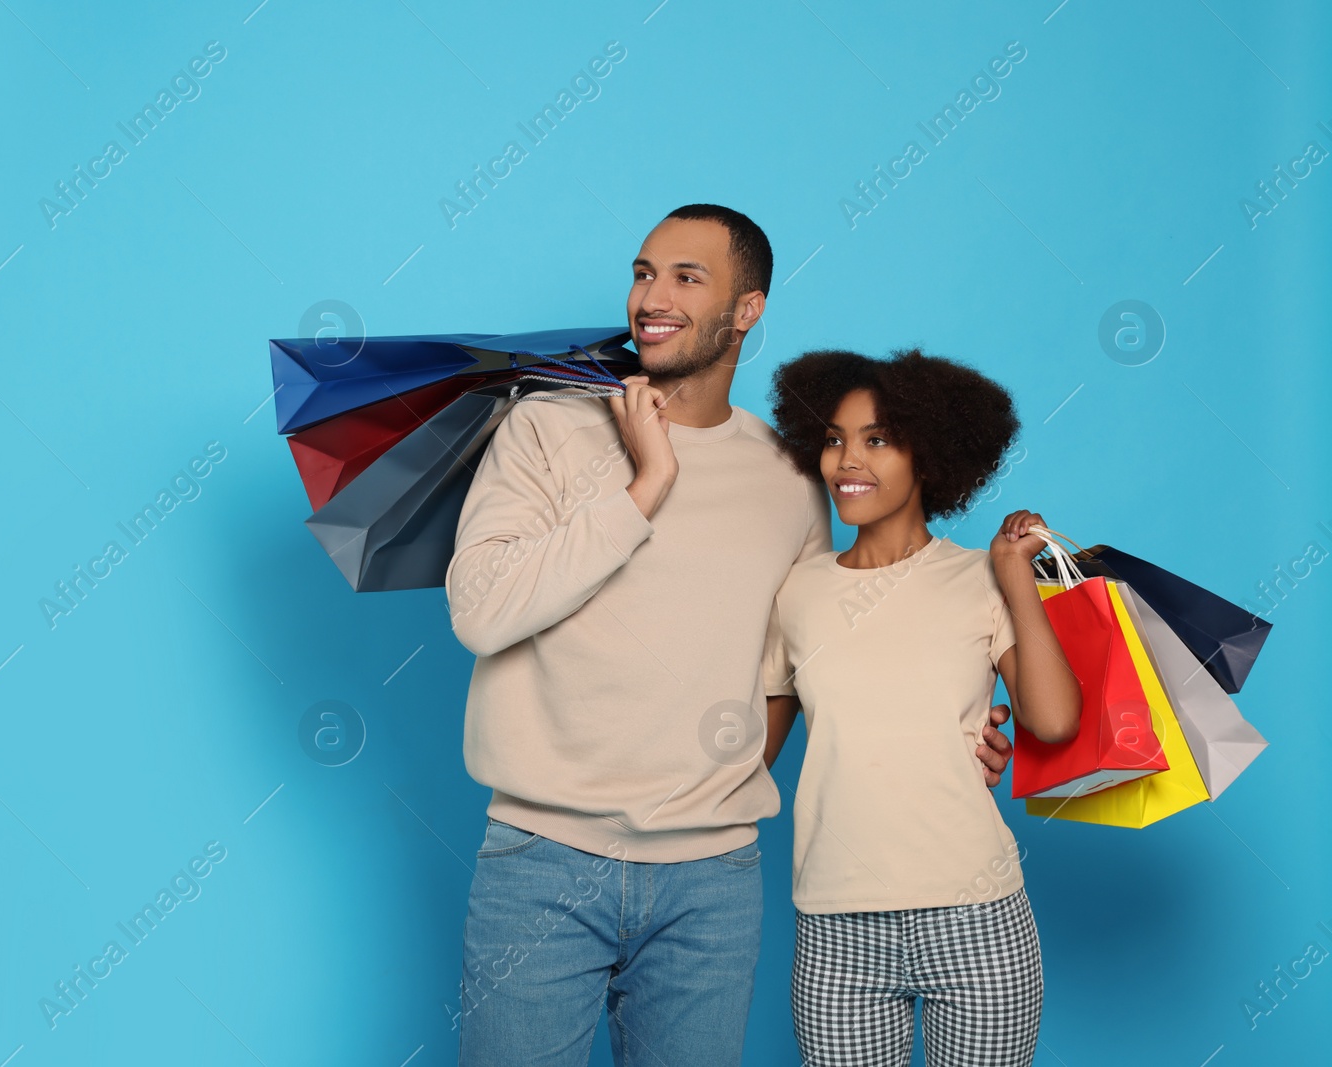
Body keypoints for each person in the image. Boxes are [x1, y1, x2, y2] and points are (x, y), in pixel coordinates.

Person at [444, 205, 1017, 1065]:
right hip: (541, 864)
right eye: (643, 272)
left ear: (747, 310)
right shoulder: (546, 428)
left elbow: (805, 657)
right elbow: (481, 613)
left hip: (711, 884)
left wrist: (952, 728)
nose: (652, 296)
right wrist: (645, 487)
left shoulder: (790, 477)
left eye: (686, 276)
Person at [765, 349, 1082, 1066]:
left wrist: (1016, 579)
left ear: (932, 456)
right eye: (835, 438)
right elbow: (749, 754)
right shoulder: (795, 593)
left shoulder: (978, 577)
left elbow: (1054, 720)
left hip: (976, 919)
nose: (848, 459)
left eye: (877, 439)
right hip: (836, 929)